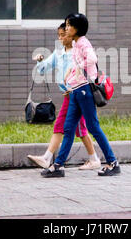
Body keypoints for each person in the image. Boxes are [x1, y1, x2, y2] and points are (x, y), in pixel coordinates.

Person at [41, 13, 121, 178]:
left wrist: (78, 68)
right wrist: (71, 71)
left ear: (77, 29)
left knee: (92, 127)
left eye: (69, 25)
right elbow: (77, 63)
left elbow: (92, 59)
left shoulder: (83, 42)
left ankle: (113, 163)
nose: (67, 28)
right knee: (68, 128)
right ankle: (58, 166)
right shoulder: (77, 44)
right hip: (76, 91)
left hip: (84, 91)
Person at [27, 23, 102, 170]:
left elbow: (85, 68)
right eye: (59, 35)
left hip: (76, 92)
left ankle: (48, 158)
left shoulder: (77, 51)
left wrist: (72, 85)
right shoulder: (59, 52)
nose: (61, 38)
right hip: (70, 95)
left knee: (61, 124)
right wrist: (40, 60)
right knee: (80, 130)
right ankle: (94, 159)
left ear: (72, 34)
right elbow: (44, 68)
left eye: (64, 34)